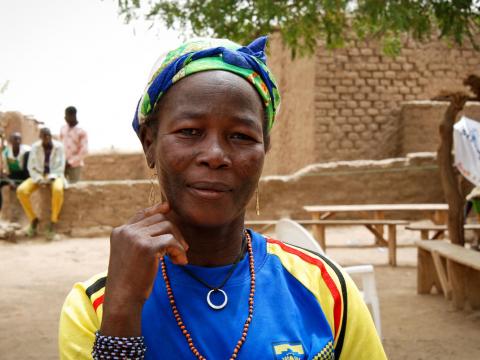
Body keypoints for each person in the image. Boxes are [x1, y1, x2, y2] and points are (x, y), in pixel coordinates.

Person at [59, 37, 386, 359]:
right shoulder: (96, 306)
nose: (215, 155)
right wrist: (122, 312)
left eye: (241, 136)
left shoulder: (324, 287)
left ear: (264, 151)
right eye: (190, 131)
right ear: (149, 144)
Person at [17, 127, 66, 239]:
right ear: (40, 137)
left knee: (58, 190)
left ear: (51, 136)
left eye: (48, 135)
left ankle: (53, 222)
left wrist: (50, 177)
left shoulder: (59, 147)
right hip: (38, 176)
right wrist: (39, 179)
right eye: (44, 136)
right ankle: (33, 219)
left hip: (55, 175)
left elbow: (60, 167)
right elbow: (31, 167)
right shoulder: (35, 147)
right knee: (21, 191)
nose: (47, 138)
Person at [0, 132, 30, 210]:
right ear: (10, 141)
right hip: (13, 175)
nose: (17, 141)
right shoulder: (6, 153)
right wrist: (10, 181)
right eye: (15, 139)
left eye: (19, 139)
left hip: (25, 175)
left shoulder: (27, 150)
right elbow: (4, 172)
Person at [60, 106, 88, 183]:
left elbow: (83, 151)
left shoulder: (81, 131)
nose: (65, 118)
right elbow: (60, 146)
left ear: (73, 115)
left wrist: (70, 162)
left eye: (67, 115)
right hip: (63, 165)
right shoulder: (63, 129)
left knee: (74, 187)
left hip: (75, 166)